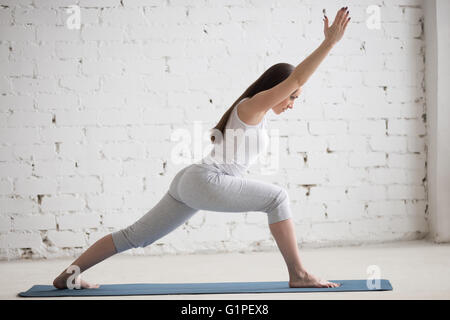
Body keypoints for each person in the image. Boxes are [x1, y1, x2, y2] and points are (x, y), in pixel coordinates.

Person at [53, 7, 351, 290]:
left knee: (136, 237)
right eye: (293, 97)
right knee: (278, 199)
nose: (292, 104)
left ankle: (68, 276)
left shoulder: (251, 113)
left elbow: (295, 81)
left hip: (192, 180)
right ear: (277, 88)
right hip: (206, 180)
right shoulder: (252, 107)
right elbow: (297, 77)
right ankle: (298, 274)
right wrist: (330, 43)